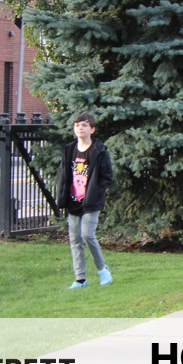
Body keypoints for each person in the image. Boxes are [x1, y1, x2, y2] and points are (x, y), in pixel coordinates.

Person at [56, 113, 114, 289]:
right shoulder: (69, 150)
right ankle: (80, 279)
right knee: (75, 239)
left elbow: (107, 176)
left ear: (92, 129)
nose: (80, 128)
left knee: (87, 235)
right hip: (73, 201)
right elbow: (63, 174)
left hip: (91, 201)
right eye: (77, 125)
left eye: (84, 125)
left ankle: (103, 270)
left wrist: (95, 193)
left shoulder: (99, 151)